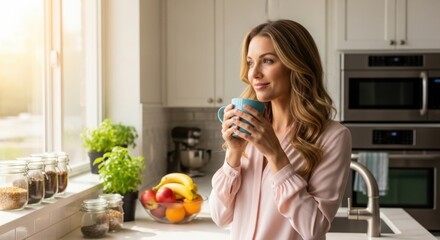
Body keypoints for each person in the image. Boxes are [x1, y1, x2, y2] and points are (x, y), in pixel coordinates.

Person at [209, 19, 352, 240]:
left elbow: (314, 229)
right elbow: (220, 217)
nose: (254, 73)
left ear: (296, 65)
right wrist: (234, 153)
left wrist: (276, 156)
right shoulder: (249, 129)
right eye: (250, 62)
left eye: (267, 61)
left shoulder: (332, 137)